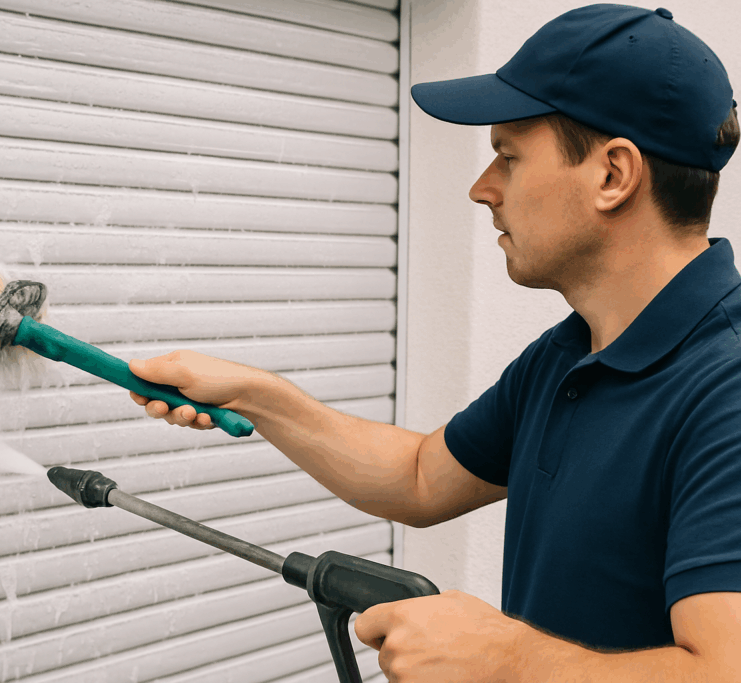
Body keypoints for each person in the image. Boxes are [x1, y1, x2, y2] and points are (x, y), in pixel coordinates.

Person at [128, 4, 741, 681]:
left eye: (508, 157)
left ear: (613, 175)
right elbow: (420, 475)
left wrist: (505, 657)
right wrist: (253, 392)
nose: (482, 189)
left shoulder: (726, 387)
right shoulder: (569, 355)